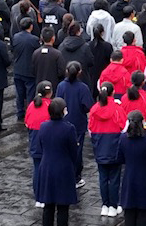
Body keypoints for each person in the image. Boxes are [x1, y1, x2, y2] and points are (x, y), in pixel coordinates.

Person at [36, 97, 79, 226]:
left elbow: (40, 146)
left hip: (47, 167)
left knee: (48, 206)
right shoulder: (69, 128)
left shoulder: (43, 126)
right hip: (63, 169)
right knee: (63, 207)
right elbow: (74, 151)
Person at [90, 82, 128, 218]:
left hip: (100, 147)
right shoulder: (117, 109)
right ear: (113, 92)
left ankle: (105, 205)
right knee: (115, 178)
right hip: (114, 147)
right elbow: (124, 128)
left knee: (103, 178)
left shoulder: (94, 109)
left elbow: (90, 129)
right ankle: (113, 205)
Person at [116, 110, 146, 226]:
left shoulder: (123, 139)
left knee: (129, 216)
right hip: (145, 180)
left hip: (129, 179)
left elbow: (119, 159)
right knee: (145, 216)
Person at [56, 61, 94, 188]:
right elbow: (87, 106)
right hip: (78, 123)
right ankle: (76, 177)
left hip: (63, 122)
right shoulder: (83, 88)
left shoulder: (61, 86)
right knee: (77, 151)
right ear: (80, 72)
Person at [25, 81, 53, 208]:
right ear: (50, 93)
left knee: (37, 168)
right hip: (48, 142)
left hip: (35, 140)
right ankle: (46, 196)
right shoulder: (51, 106)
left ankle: (38, 197)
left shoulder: (31, 105)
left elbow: (27, 123)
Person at [13, 17, 40, 119]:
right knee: (30, 94)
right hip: (29, 71)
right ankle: (30, 113)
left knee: (19, 94)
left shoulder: (16, 37)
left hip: (18, 69)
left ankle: (20, 113)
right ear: (31, 26)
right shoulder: (34, 39)